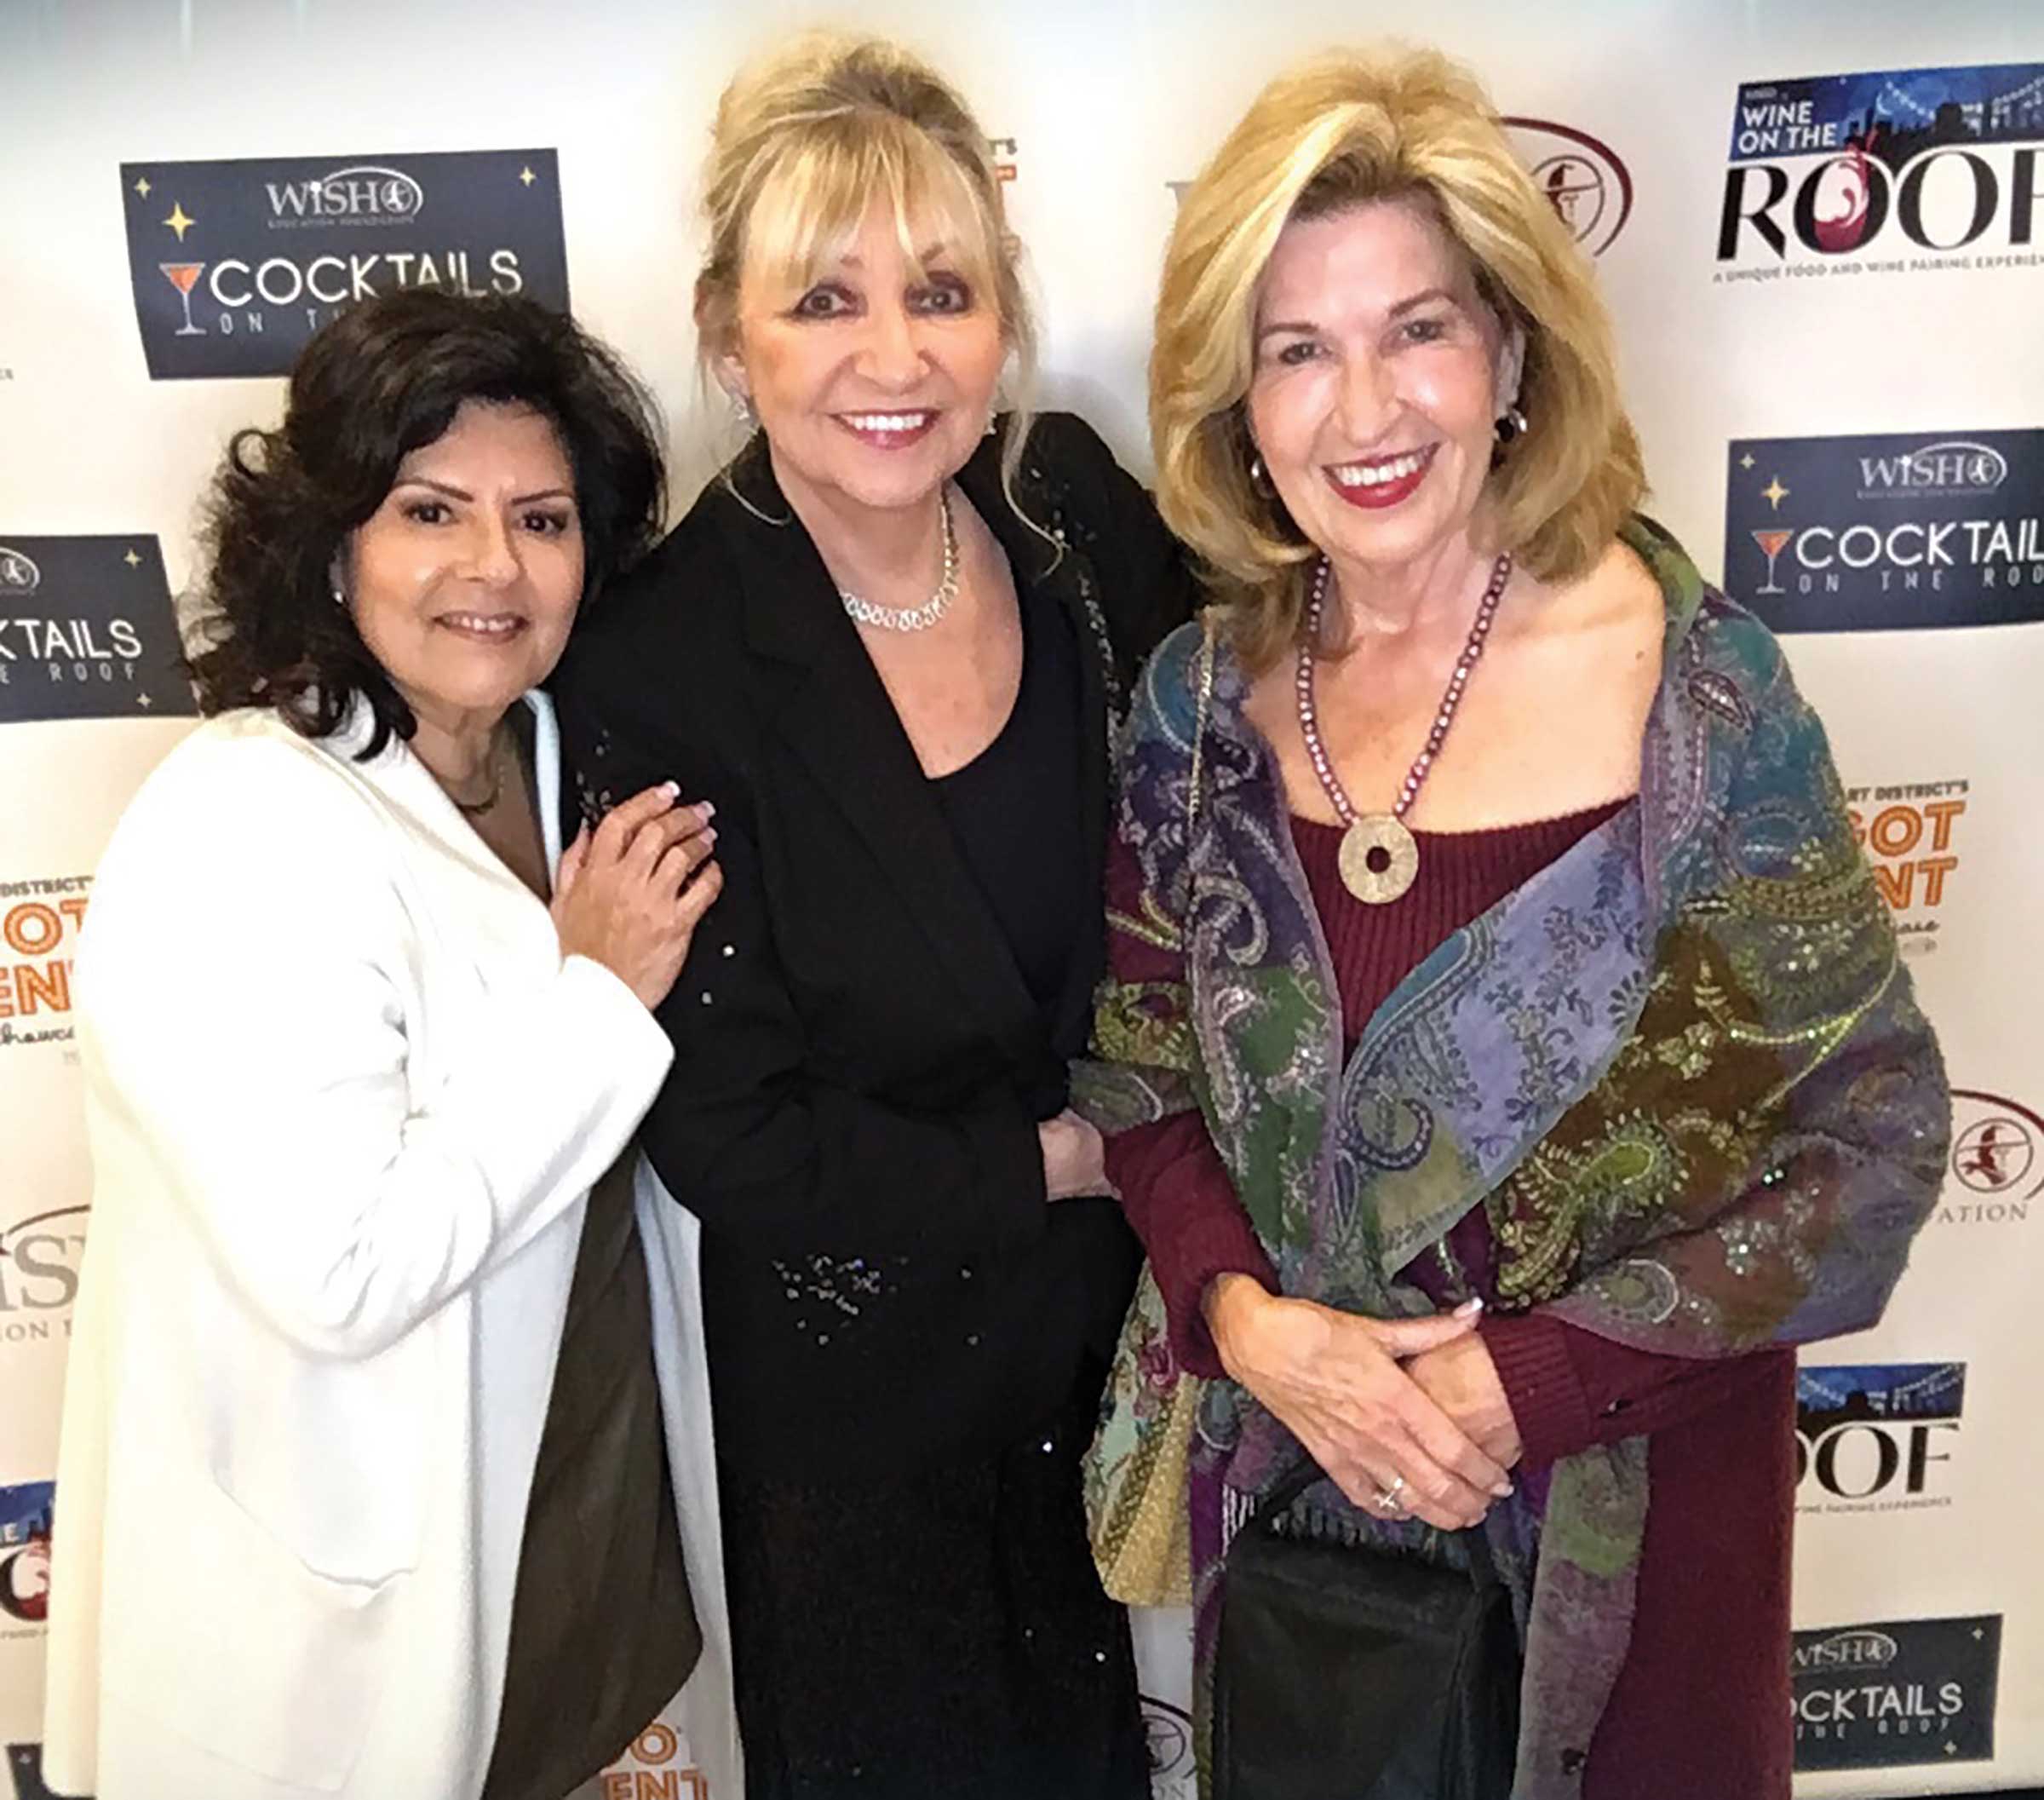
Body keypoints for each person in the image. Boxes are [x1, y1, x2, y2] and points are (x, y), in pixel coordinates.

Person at [1077, 46, 1949, 1799]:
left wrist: (1523, 1384)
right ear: (1238, 402)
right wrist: (1249, 1324)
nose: (1364, 409)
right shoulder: (1196, 708)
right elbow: (1139, 1088)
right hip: (1314, 1542)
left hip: (1638, 1559)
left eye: (1417, 329)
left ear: (1512, 354)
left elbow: (1874, 1154)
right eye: (1296, 350)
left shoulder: (1699, 703)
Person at [550, 32, 1189, 1800]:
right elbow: (733, 1137)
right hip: (862, 1407)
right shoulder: (663, 658)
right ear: (727, 334)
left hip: (1137, 1352)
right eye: (824, 299)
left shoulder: (1071, 510)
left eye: (942, 293)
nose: (894, 357)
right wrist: (1067, 1160)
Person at [41, 289, 723, 1800]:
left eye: (542, 520)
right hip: (329, 1645)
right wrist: (598, 996)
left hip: (561, 1550)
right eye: (431, 510)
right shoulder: (240, 822)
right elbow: (342, 1269)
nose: (494, 566)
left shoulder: (558, 755)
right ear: (334, 544)